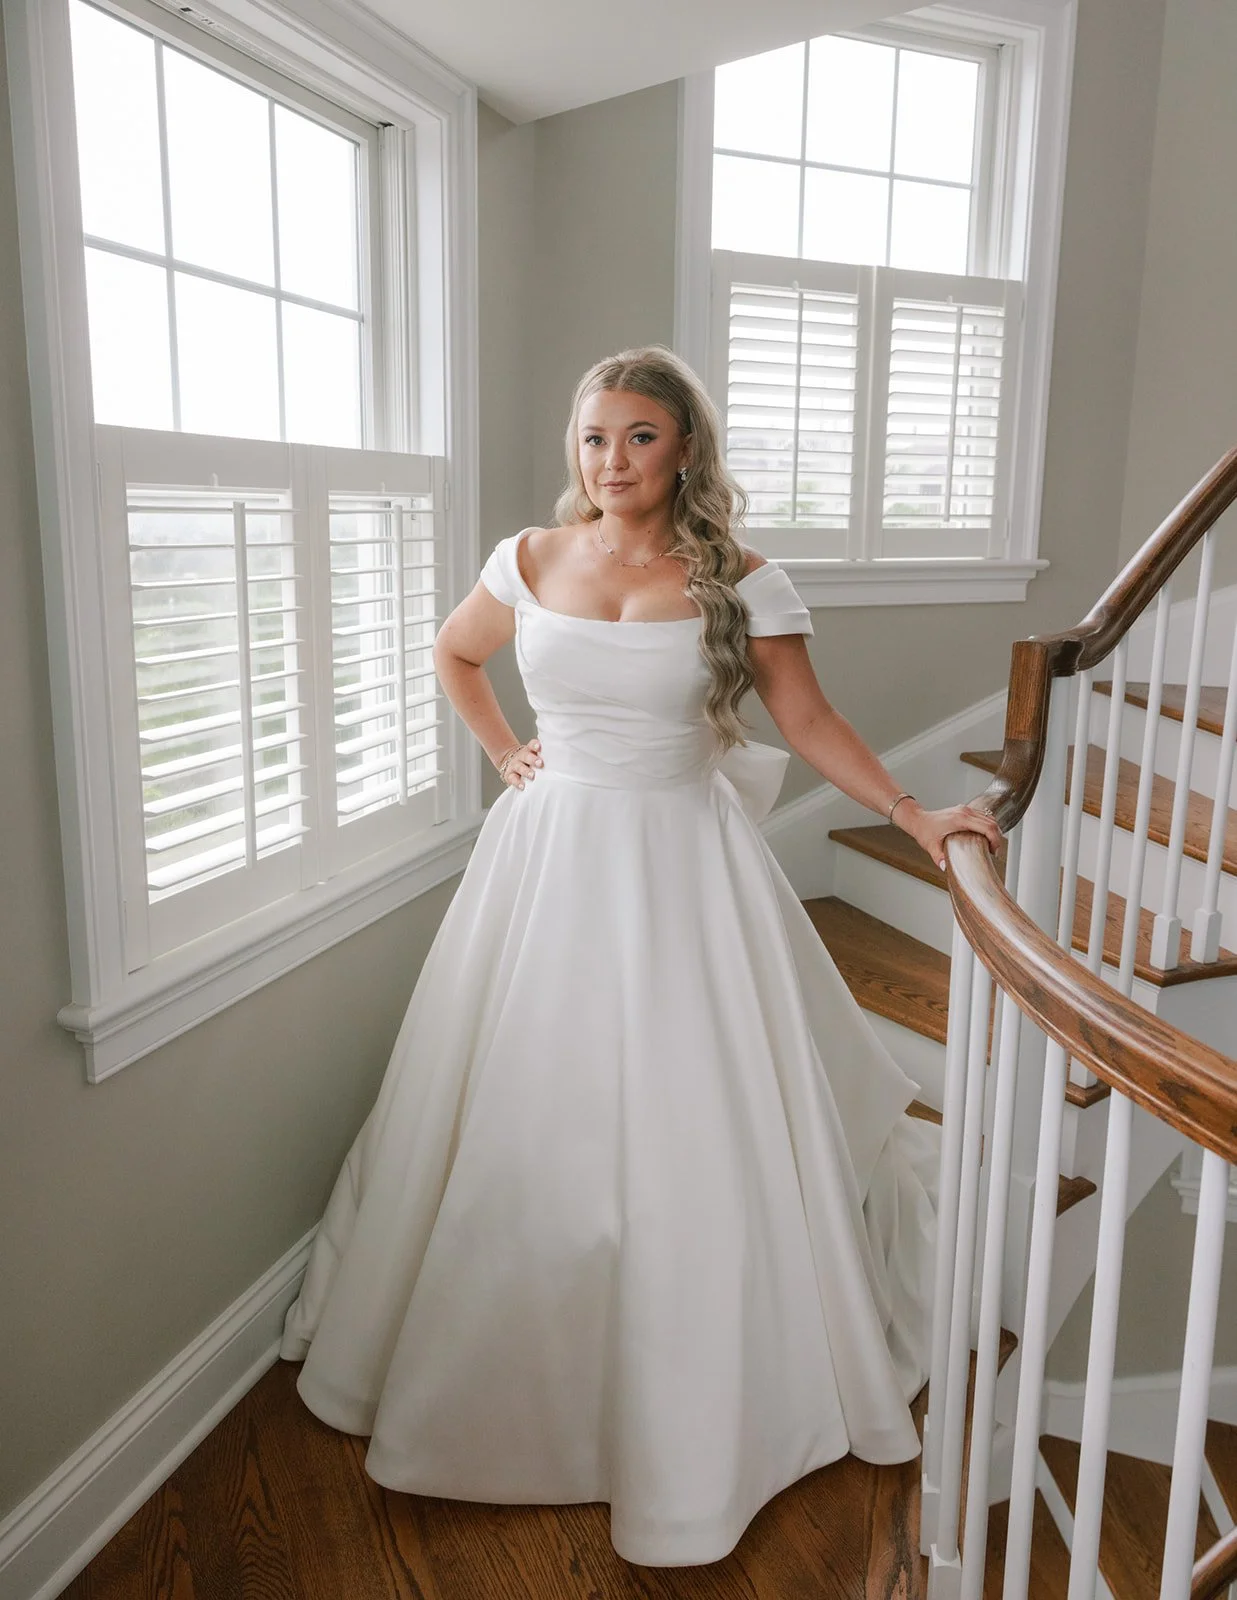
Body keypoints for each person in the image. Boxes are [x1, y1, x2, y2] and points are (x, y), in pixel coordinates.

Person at [279, 343, 1002, 1568]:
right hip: (547, 859)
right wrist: (505, 750)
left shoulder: (744, 580)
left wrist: (916, 817)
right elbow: (456, 653)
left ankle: (693, 1382)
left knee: (686, 1118)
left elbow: (809, 721)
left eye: (639, 437)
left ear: (684, 448)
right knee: (520, 1104)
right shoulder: (528, 556)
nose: (610, 461)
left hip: (679, 864)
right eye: (593, 437)